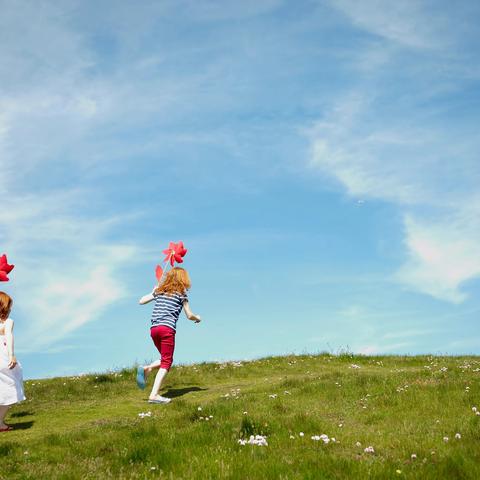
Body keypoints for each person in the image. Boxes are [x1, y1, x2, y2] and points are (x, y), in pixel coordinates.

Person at [136, 267, 201, 404]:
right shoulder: (181, 293)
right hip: (167, 329)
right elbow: (189, 315)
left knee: (165, 358)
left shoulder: (161, 291)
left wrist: (153, 292)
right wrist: (197, 318)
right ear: (183, 279)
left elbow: (141, 301)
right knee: (167, 362)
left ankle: (147, 369)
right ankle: (153, 395)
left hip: (154, 330)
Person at [0, 292, 26, 431]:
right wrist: (11, 355)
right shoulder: (8, 323)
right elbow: (9, 336)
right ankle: (0, 423)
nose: (10, 310)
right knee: (10, 387)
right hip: (3, 359)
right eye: (8, 307)